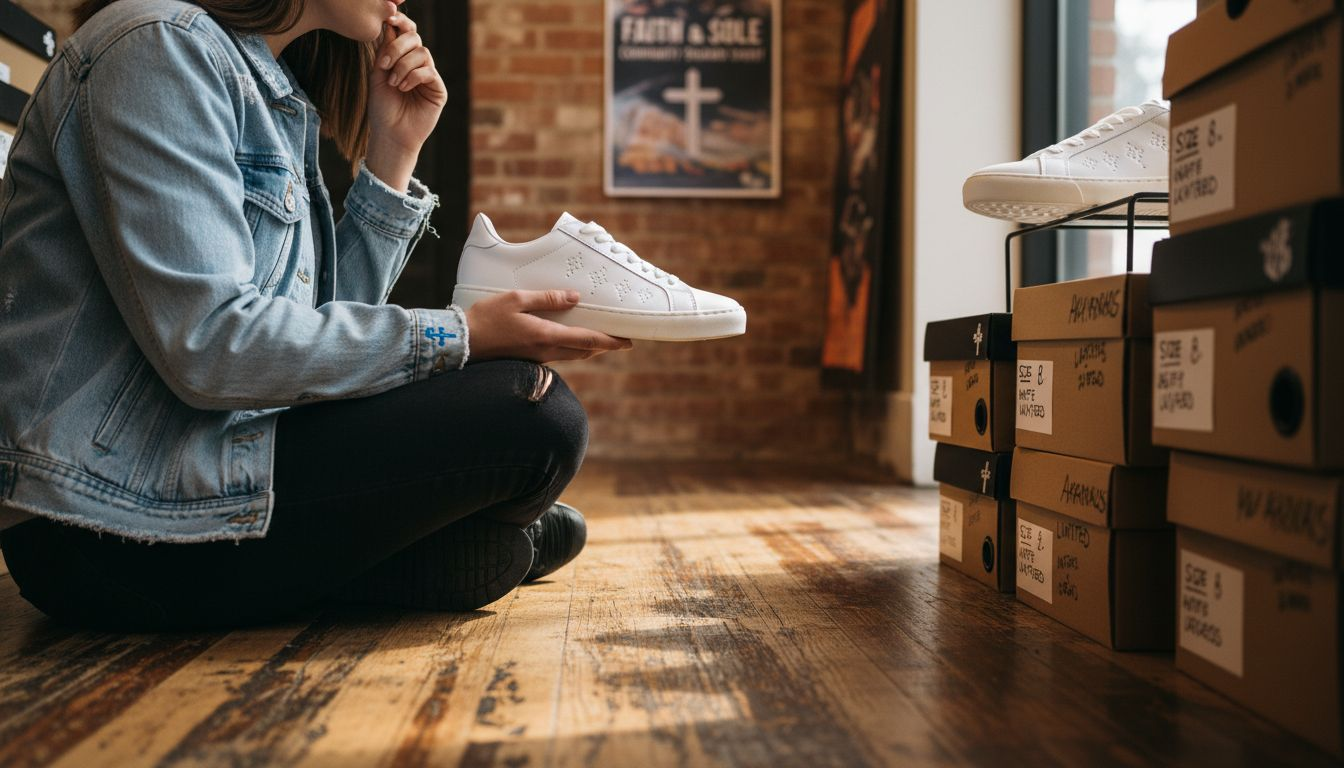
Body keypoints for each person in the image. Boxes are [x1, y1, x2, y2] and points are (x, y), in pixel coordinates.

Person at [0, 0, 632, 632]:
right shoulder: (157, 45)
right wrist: (463, 336)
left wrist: (394, 151)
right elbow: (213, 347)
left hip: (203, 472)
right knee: (534, 412)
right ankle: (394, 551)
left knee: (534, 408)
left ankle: (378, 562)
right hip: (105, 531)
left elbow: (309, 336)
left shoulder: (266, 90)